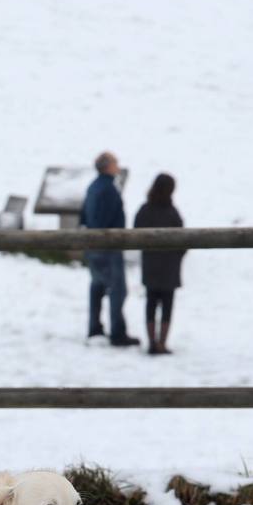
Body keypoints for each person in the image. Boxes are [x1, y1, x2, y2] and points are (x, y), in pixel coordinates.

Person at [80, 151, 139, 347]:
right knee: (117, 290)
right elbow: (103, 219)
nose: (118, 166)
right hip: (108, 246)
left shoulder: (93, 187)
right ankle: (117, 332)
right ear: (107, 166)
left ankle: (94, 327)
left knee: (97, 286)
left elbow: (84, 216)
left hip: (93, 245)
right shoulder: (108, 189)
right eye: (115, 162)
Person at [134, 173, 186, 355]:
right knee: (167, 305)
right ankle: (162, 343)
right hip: (170, 267)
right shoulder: (172, 213)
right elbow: (183, 239)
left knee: (150, 304)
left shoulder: (145, 210)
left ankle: (151, 342)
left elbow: (135, 233)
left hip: (150, 265)